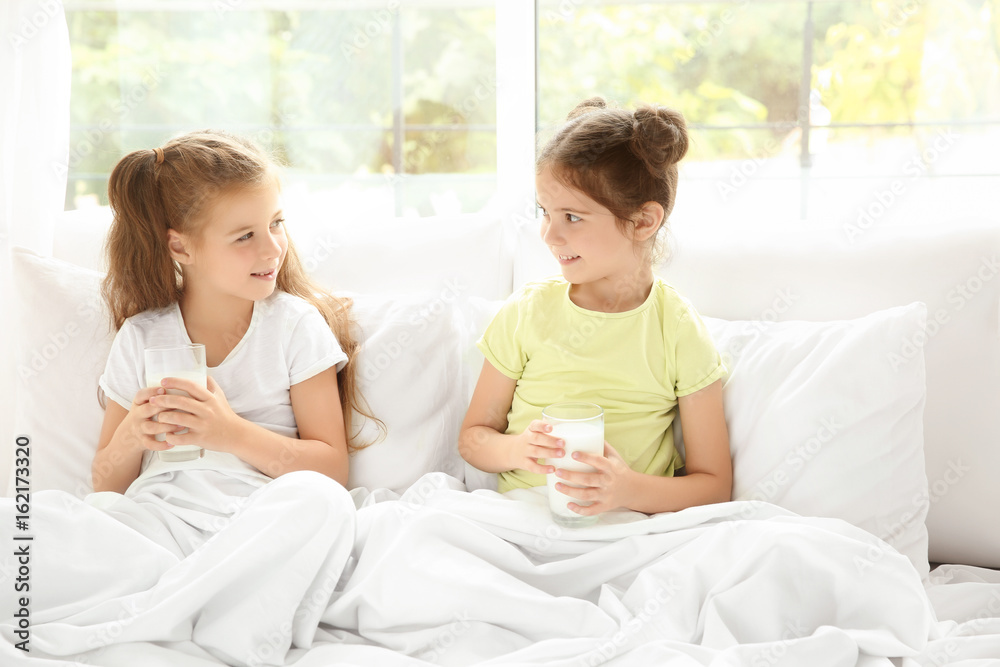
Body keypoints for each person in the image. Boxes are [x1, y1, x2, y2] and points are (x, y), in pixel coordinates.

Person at [459, 97, 732, 516]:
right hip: (522, 517)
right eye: (545, 213)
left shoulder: (676, 328)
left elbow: (713, 486)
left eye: (572, 217)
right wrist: (516, 449)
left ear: (643, 222)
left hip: (627, 525)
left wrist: (628, 491)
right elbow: (473, 438)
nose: (549, 235)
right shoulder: (527, 312)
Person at [92, 130, 381, 496]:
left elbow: (331, 471)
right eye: (245, 236)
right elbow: (104, 485)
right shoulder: (141, 336)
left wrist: (230, 432)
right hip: (167, 510)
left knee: (323, 506)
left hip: (267, 511)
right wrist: (132, 435)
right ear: (179, 246)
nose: (273, 248)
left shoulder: (294, 326)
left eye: (276, 223)